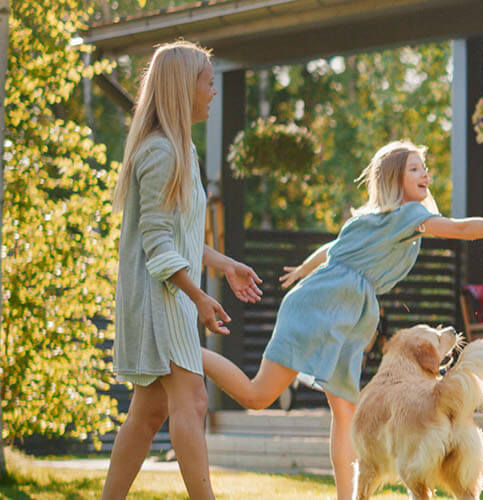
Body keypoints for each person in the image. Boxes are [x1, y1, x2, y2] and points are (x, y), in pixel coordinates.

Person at [200, 141, 483, 500]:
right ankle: (193, 355)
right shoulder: (407, 214)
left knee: (345, 414)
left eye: (424, 167)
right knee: (258, 396)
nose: (425, 174)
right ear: (395, 178)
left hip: (341, 313)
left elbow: (332, 249)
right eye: (414, 168)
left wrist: (305, 267)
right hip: (321, 307)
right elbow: (462, 229)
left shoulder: (375, 219)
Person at [103, 40, 266, 500]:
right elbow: (157, 245)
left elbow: (181, 239)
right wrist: (198, 296)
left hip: (168, 296)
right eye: (208, 83)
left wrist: (225, 264)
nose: (214, 92)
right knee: (191, 402)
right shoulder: (160, 153)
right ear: (182, 87)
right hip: (160, 301)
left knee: (148, 414)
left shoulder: (181, 151)